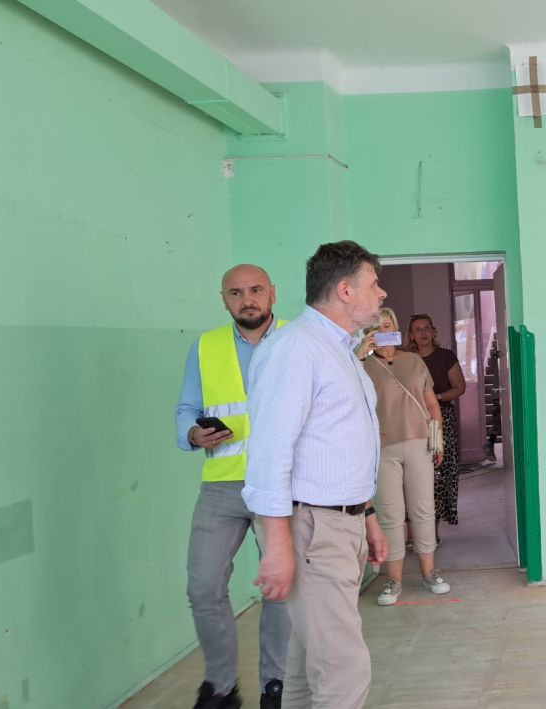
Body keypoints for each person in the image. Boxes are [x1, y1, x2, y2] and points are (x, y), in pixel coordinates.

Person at [242, 241, 389, 709]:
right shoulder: (297, 348)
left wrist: (367, 516)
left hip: (339, 522)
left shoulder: (341, 351)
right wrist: (277, 543)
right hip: (312, 528)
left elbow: (341, 448)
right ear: (345, 290)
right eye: (374, 284)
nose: (382, 293)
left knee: (306, 668)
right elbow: (269, 453)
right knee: (344, 671)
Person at [174, 264, 289, 709]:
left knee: (279, 588)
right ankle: (221, 688)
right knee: (203, 587)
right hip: (222, 486)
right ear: (224, 299)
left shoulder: (297, 340)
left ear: (272, 293)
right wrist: (192, 433)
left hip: (280, 484)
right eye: (236, 292)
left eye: (256, 290)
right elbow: (186, 408)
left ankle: (276, 685)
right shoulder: (206, 346)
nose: (247, 299)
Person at [357, 307, 452, 605]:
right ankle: (393, 580)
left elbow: (431, 402)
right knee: (391, 516)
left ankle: (430, 572)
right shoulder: (361, 365)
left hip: (419, 443)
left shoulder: (413, 361)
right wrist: (359, 354)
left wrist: (438, 440)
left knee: (423, 510)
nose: (381, 330)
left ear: (396, 329)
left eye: (386, 325)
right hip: (383, 448)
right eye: (375, 326)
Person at [406, 314, 465, 529]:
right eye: (418, 329)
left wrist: (434, 399)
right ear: (411, 335)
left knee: (438, 474)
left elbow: (459, 388)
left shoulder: (445, 357)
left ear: (433, 331)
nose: (423, 333)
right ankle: (412, 530)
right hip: (412, 420)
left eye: (426, 328)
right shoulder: (405, 359)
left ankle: (433, 529)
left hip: (442, 419)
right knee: (412, 473)